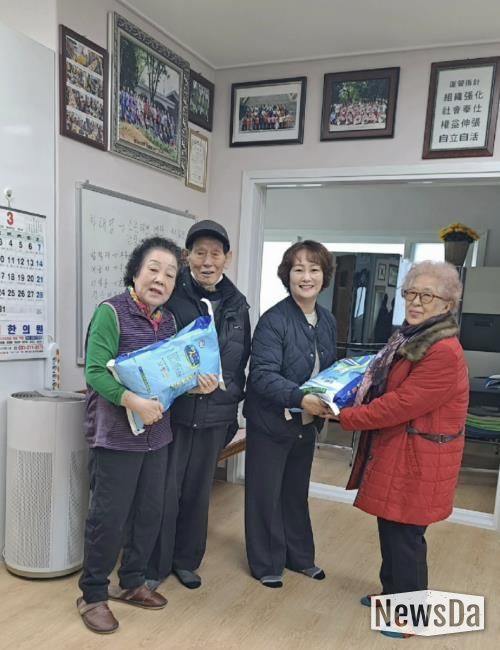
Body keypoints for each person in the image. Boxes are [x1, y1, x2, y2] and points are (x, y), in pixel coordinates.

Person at [77, 237, 216, 634]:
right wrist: (133, 402)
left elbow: (168, 378)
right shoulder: (111, 313)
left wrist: (194, 386)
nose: (161, 279)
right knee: (108, 518)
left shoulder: (168, 321)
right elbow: (95, 373)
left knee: (150, 512)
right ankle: (92, 594)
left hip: (157, 437)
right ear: (135, 272)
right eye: (153, 269)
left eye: (170, 274)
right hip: (115, 438)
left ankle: (132, 581)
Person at [336, 260, 468, 639]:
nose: (416, 302)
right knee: (391, 526)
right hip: (402, 449)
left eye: (427, 296)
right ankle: (392, 595)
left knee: (407, 536)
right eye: (411, 293)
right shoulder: (410, 337)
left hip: (420, 457)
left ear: (447, 304)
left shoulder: (442, 350)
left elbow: (401, 404)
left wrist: (345, 416)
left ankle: (410, 617)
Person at [146, 219, 251, 590]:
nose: (208, 261)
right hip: (173, 415)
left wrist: (227, 403)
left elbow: (239, 364)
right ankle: (154, 566)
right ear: (186, 256)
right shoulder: (171, 298)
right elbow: (157, 356)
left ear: (227, 258)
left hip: (215, 417)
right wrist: (184, 386)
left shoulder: (238, 305)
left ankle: (186, 562)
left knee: (197, 493)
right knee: (163, 493)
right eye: (200, 253)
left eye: (215, 254)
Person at [244, 240, 337, 588]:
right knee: (265, 494)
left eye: (314, 269)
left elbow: (329, 371)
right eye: (299, 269)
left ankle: (299, 557)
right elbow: (262, 375)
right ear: (288, 275)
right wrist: (300, 398)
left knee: (295, 493)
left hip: (306, 422)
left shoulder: (327, 320)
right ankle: (266, 563)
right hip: (271, 422)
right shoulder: (274, 320)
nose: (306, 277)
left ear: (324, 276)